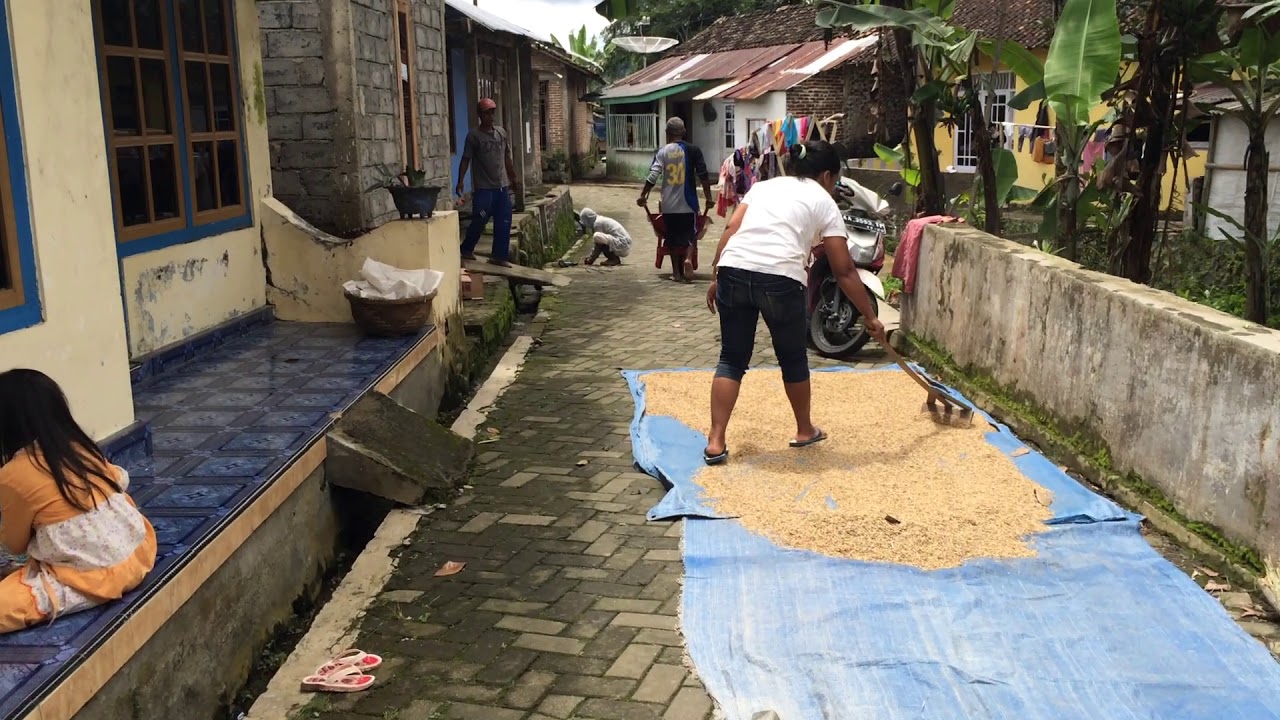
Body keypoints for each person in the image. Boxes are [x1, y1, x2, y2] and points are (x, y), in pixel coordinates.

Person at [702, 140, 887, 465]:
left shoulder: (764, 188)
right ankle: (804, 430)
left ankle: (716, 441)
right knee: (792, 357)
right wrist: (870, 317)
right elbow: (844, 270)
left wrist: (717, 275)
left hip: (734, 267)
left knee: (731, 358)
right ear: (828, 175)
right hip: (780, 277)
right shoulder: (824, 202)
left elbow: (732, 226)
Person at [0, 369, 157, 633]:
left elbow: (14, 543)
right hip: (138, 552)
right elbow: (118, 477)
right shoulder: (80, 446)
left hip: (89, 576)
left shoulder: (12, 474)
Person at [637, 117, 713, 283]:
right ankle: (687, 258)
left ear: (667, 133)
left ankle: (676, 273)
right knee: (692, 233)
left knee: (670, 237)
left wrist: (643, 195)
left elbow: (653, 175)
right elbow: (703, 175)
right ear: (684, 132)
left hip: (669, 204)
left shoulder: (663, 152)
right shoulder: (693, 150)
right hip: (689, 203)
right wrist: (708, 197)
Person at [456, 98, 521, 267]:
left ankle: (499, 256)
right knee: (480, 218)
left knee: (504, 221)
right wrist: (460, 181)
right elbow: (465, 159)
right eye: (486, 113)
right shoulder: (474, 136)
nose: (490, 116)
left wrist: (513, 177)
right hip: (484, 188)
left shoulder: (501, 133)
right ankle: (467, 249)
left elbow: (506, 158)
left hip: (502, 187)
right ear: (479, 115)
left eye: (492, 112)